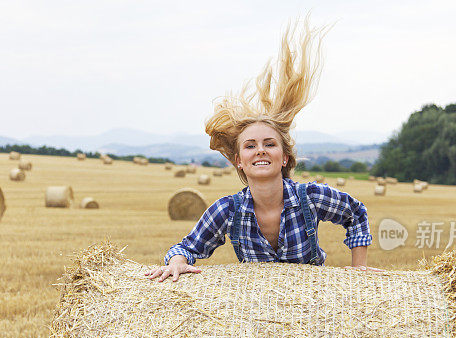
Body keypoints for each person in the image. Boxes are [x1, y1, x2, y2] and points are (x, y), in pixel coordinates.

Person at [147, 19, 376, 282]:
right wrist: (176, 262)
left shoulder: (310, 197)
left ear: (285, 157)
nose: (260, 151)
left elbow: (355, 213)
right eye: (250, 146)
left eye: (270, 144)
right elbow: (186, 247)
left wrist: (360, 273)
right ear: (239, 161)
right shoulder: (228, 210)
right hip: (258, 310)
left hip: (313, 305)